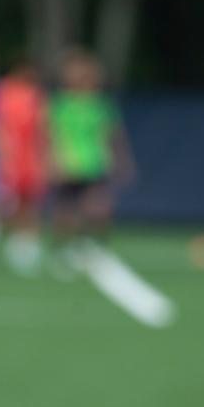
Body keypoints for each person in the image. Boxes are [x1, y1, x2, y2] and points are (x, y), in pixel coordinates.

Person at [48, 47, 135, 267]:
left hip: (95, 162)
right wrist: (52, 160)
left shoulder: (101, 105)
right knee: (66, 209)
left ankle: (95, 245)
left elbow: (113, 134)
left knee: (99, 207)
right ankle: (63, 249)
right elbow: (51, 135)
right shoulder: (62, 104)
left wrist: (123, 160)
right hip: (69, 163)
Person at [0, 57, 50, 275]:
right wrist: (3, 156)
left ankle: (25, 249)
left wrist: (44, 158)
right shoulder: (3, 91)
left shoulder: (35, 95)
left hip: (29, 159)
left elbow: (42, 129)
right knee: (4, 205)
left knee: (29, 205)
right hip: (9, 159)